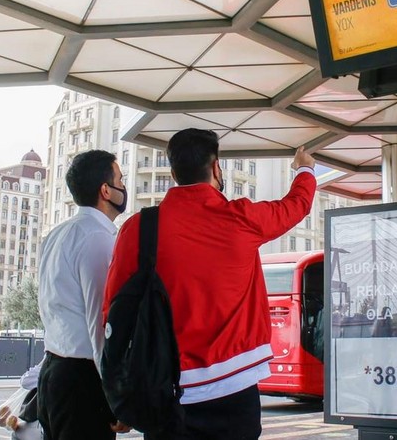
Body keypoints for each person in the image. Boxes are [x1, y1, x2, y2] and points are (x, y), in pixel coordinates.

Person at [103, 128, 317, 440]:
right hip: (236, 388)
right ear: (216, 167)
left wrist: (121, 393)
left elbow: (113, 311)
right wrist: (304, 169)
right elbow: (296, 205)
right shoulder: (242, 218)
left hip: (165, 392)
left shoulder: (139, 228)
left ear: (173, 173)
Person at [37, 150, 129, 440]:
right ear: (106, 190)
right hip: (83, 383)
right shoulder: (98, 238)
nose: (123, 187)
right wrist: (116, 394)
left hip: (53, 373)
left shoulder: (57, 234)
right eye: (120, 180)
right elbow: (100, 323)